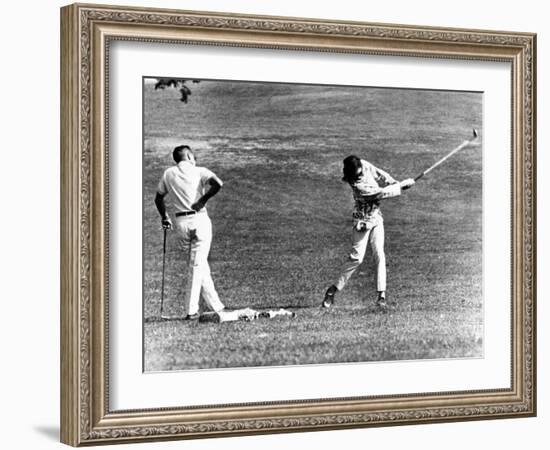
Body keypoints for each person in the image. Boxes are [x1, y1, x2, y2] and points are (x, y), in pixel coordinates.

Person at [322, 155, 415, 309]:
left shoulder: (362, 164)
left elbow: (379, 173)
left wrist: (394, 182)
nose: (361, 173)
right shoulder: (359, 187)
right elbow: (380, 193)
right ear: (351, 175)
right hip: (362, 222)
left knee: (380, 253)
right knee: (356, 258)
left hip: (376, 217)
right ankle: (332, 290)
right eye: (357, 174)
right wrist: (401, 186)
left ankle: (381, 296)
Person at [154, 145, 226, 320]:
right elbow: (218, 183)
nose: (195, 159)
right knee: (197, 266)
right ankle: (191, 310)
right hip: (199, 220)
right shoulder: (199, 170)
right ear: (187, 156)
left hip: (181, 224)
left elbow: (158, 198)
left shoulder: (168, 173)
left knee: (200, 265)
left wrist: (165, 217)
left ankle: (217, 305)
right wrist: (202, 200)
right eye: (193, 156)